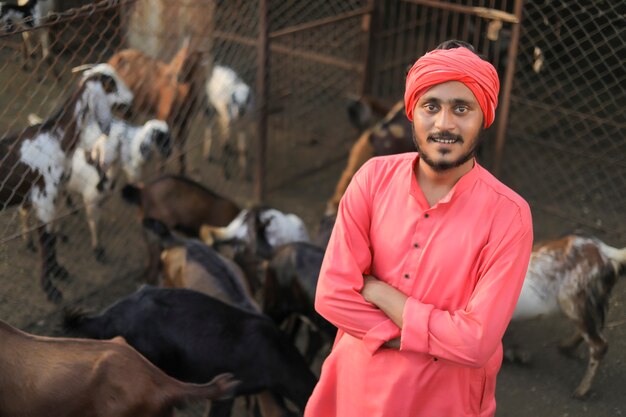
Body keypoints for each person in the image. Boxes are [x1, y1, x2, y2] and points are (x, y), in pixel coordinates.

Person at [304, 40, 534, 417]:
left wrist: (379, 291)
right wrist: (435, 338)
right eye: (432, 107)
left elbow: (476, 344)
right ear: (412, 112)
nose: (444, 124)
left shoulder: (509, 216)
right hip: (354, 391)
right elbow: (331, 296)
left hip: (443, 401)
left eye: (462, 108)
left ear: (483, 117)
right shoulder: (373, 178)